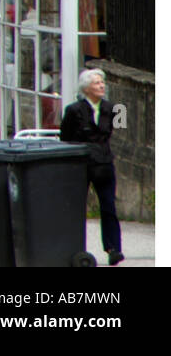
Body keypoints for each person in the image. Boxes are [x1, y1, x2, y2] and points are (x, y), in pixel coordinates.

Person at [60, 68, 123, 265]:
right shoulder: (73, 110)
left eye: (102, 82)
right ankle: (73, 248)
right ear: (86, 88)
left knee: (109, 206)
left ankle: (114, 248)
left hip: (104, 163)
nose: (101, 86)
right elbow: (65, 137)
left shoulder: (116, 108)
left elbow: (119, 132)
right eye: (96, 83)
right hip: (81, 164)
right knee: (76, 208)